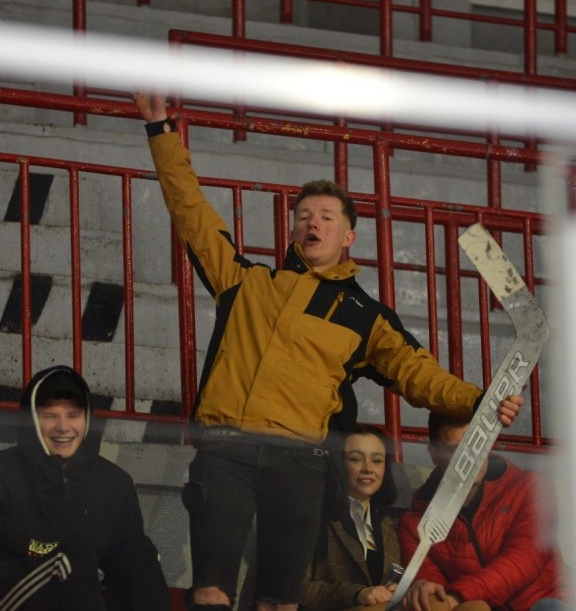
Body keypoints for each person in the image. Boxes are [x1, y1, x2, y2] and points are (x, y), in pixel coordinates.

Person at [134, 93, 523, 611]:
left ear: (348, 236)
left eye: (326, 216)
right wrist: (160, 130)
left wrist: (479, 401)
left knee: (280, 602)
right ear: (294, 229)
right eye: (304, 216)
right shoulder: (246, 282)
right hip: (226, 448)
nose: (312, 223)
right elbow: (192, 212)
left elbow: (417, 372)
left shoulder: (365, 315)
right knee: (210, 592)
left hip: (300, 461)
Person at [0, 365, 171, 611]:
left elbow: (126, 565)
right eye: (50, 415)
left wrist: (87, 578)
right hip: (2, 601)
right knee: (72, 556)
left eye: (73, 415)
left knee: (141, 553)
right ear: (32, 420)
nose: (63, 427)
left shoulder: (115, 483)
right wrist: (47, 568)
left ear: (87, 420)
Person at [397, 412, 567, 611]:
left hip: (548, 602)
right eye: (455, 450)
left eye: (478, 444)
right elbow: (435, 595)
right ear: (434, 453)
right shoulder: (414, 525)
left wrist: (457, 595)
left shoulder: (531, 486)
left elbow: (524, 559)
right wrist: (431, 590)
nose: (470, 458)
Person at [300, 424, 402, 611]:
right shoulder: (314, 515)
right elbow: (292, 590)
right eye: (356, 459)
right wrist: (357, 594)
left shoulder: (386, 524)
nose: (368, 468)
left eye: (377, 461)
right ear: (339, 464)